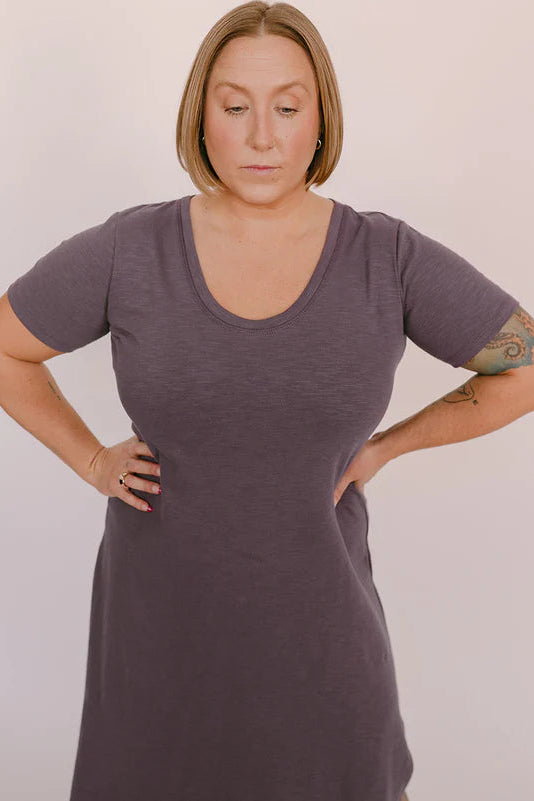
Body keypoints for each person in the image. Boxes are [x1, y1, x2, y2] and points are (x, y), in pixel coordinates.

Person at [1, 2, 532, 799]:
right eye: (234, 106)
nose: (261, 136)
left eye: (286, 107)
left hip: (324, 679)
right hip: (156, 668)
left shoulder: (386, 258)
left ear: (320, 120)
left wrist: (388, 445)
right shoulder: (129, 251)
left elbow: (524, 365)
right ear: (200, 115)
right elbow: (7, 345)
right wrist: (90, 459)